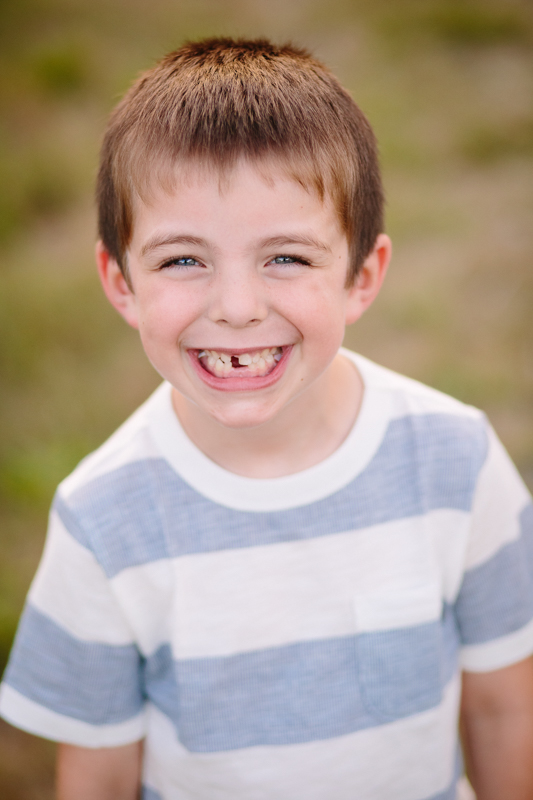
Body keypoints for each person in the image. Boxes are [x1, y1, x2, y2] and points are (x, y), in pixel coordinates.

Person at [1, 37, 532, 800]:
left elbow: (502, 704)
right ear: (120, 283)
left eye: (285, 257)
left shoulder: (456, 460)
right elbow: (100, 769)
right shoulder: (103, 518)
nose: (239, 307)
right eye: (183, 260)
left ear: (361, 276)